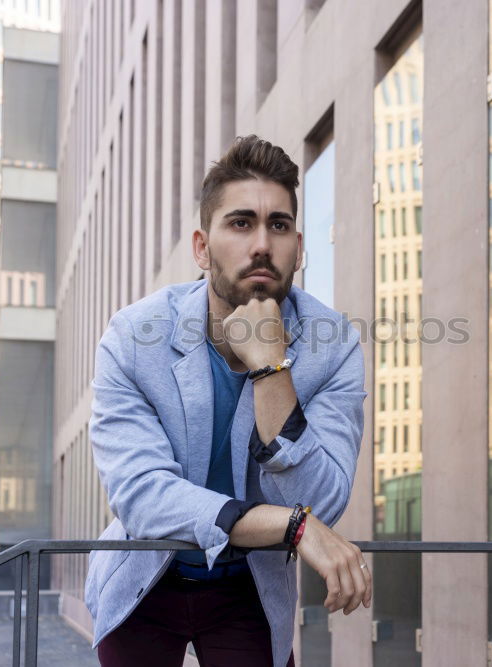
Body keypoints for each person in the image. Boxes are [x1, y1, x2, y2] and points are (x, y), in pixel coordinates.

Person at [86, 135, 370, 667]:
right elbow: (142, 496)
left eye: (278, 226)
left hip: (250, 586)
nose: (262, 244)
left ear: (299, 248)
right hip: (147, 576)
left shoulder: (334, 345)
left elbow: (324, 500)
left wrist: (270, 369)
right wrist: (292, 525)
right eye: (241, 223)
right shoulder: (133, 337)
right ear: (201, 247)